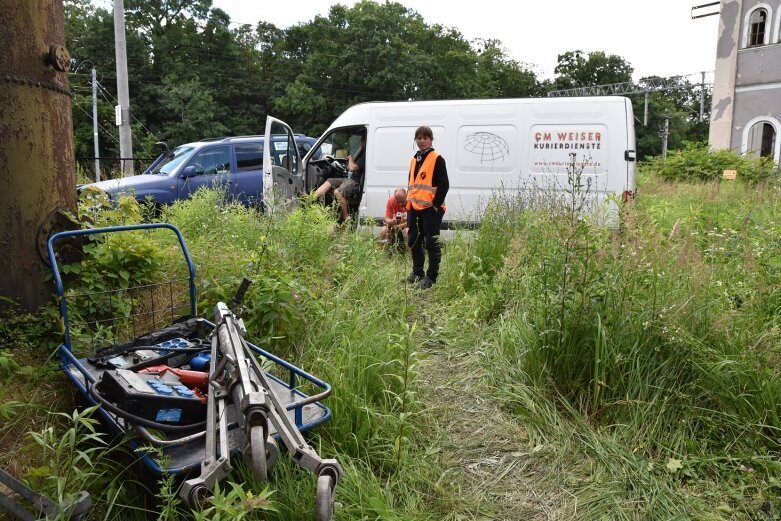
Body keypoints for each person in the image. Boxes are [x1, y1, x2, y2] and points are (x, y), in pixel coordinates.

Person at [405, 126, 449, 289]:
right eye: (419, 138)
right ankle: (417, 273)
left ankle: (431, 277)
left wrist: (436, 205)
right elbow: (412, 185)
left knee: (431, 243)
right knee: (414, 241)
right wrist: (409, 205)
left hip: (431, 209)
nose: (421, 141)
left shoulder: (437, 158)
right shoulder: (414, 159)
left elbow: (444, 185)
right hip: (414, 208)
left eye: (425, 138)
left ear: (431, 140)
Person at [313, 137, 365, 222]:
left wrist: (351, 159)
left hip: (356, 181)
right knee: (329, 181)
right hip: (350, 178)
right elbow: (350, 167)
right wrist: (349, 161)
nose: (361, 143)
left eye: (362, 141)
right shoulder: (361, 154)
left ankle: (346, 218)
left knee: (338, 192)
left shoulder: (365, 155)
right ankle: (310, 199)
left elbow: (352, 168)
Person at [379, 188, 408, 252]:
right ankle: (382, 255)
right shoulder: (391, 201)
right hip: (393, 226)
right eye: (398, 201)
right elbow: (387, 218)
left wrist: (400, 226)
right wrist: (391, 221)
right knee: (383, 230)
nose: (400, 204)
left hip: (406, 227)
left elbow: (412, 221)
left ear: (406, 196)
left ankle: (411, 258)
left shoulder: (411, 202)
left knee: (408, 232)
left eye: (402, 201)